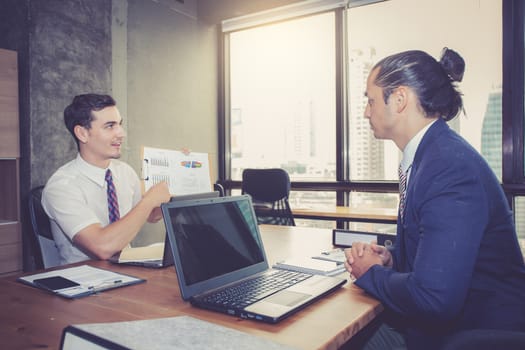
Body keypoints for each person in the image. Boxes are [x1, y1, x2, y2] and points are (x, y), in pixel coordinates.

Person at [344, 48, 525, 350]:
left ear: (399, 99)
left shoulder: (448, 167)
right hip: (451, 327)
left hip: (472, 335)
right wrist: (391, 259)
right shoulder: (432, 155)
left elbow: (434, 298)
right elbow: (433, 250)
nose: (366, 112)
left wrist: (371, 274)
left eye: (371, 99)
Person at [42, 94, 171, 265]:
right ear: (82, 133)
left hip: (128, 269)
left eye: (120, 124)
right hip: (85, 280)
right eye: (110, 126)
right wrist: (149, 201)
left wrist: (175, 186)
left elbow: (150, 216)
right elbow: (102, 246)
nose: (121, 134)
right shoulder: (61, 187)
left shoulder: (125, 172)